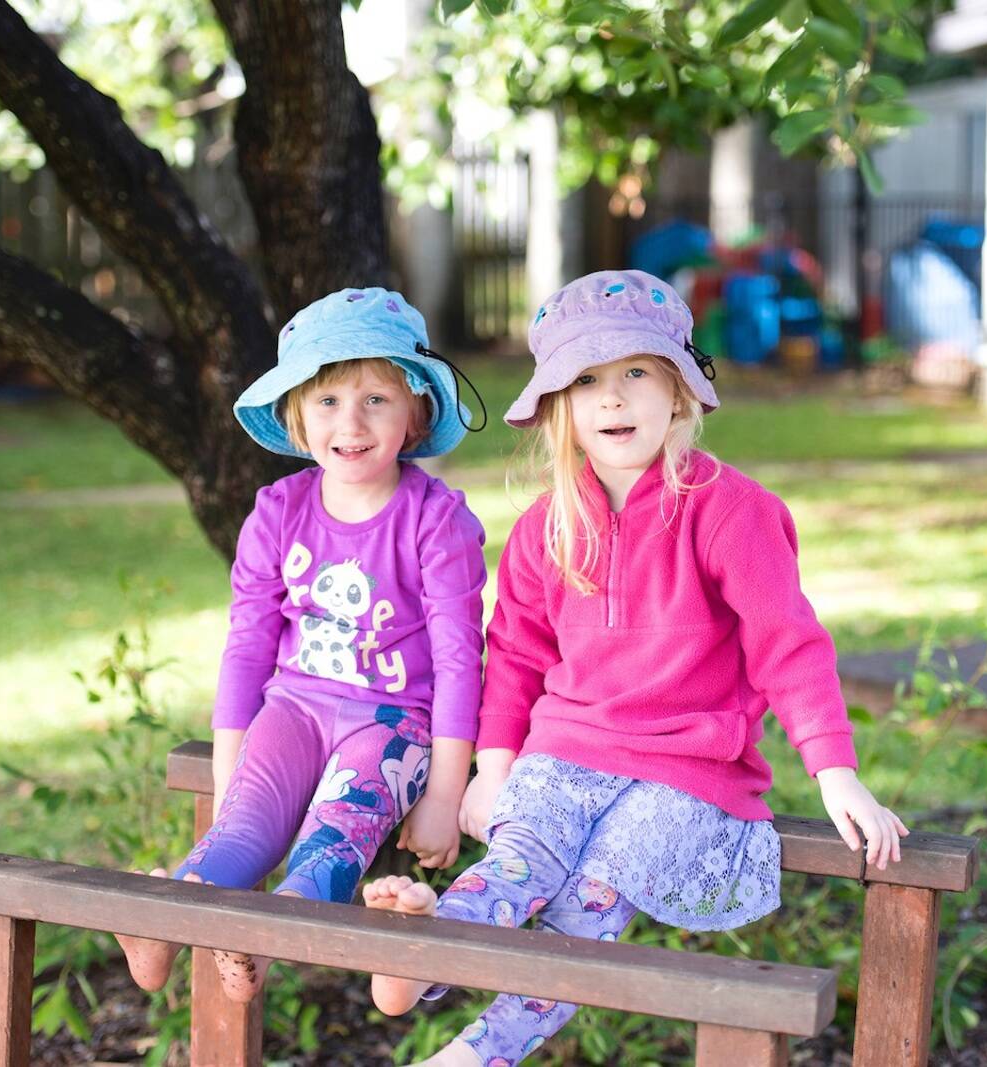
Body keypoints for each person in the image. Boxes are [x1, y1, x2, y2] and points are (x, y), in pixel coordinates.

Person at [363, 270, 907, 1067]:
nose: (612, 400)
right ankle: (433, 938)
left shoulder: (731, 511)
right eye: (587, 381)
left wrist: (835, 771)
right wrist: (494, 767)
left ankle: (472, 1048)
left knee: (592, 897)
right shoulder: (546, 527)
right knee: (524, 855)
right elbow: (513, 654)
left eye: (635, 374)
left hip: (682, 771)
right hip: (566, 752)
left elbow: (787, 640)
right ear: (561, 408)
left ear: (680, 392)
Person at [114, 287, 487, 1002]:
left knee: (331, 845)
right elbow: (247, 648)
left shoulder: (437, 521)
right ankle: (157, 921)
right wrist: (231, 783)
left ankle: (261, 942)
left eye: (376, 399)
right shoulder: (278, 512)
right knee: (238, 838)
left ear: (414, 415)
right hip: (292, 712)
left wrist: (443, 791)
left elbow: (458, 660)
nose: (351, 421)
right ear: (297, 416)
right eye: (327, 402)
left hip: (390, 727)